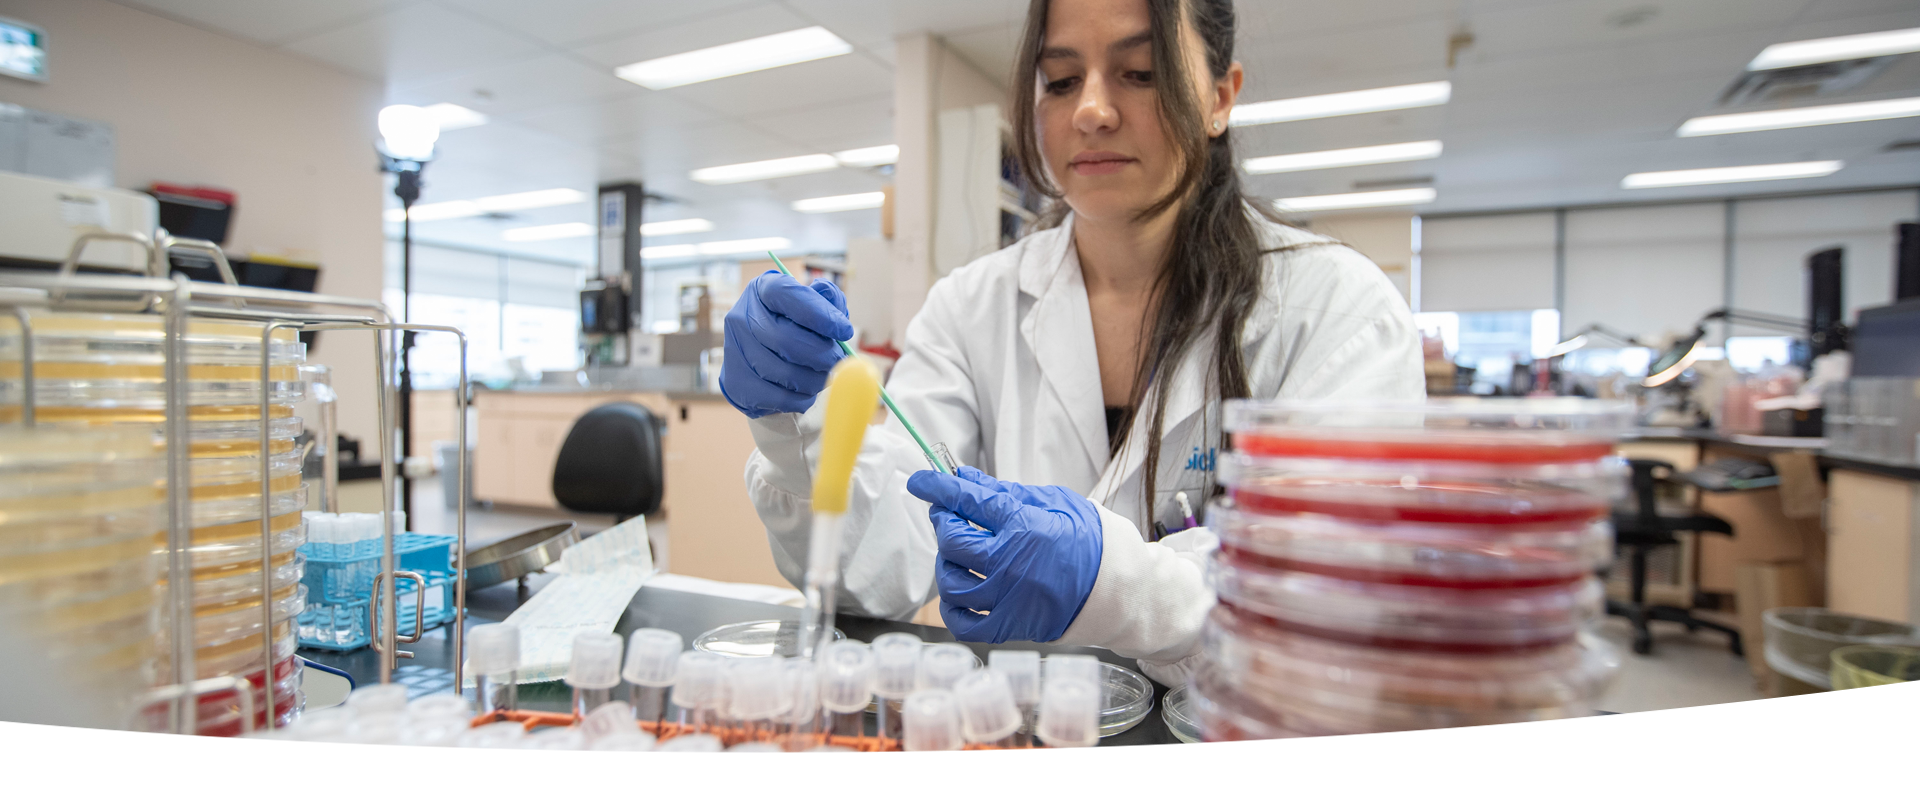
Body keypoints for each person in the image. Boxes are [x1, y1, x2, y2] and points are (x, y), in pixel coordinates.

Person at [721, 0, 1422, 686]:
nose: (1091, 109)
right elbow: (887, 562)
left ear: (1220, 96)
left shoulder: (1338, 312)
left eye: (1141, 72)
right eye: (1059, 80)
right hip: (1020, 736)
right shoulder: (970, 308)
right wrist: (791, 426)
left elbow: (1334, 606)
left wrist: (1112, 584)